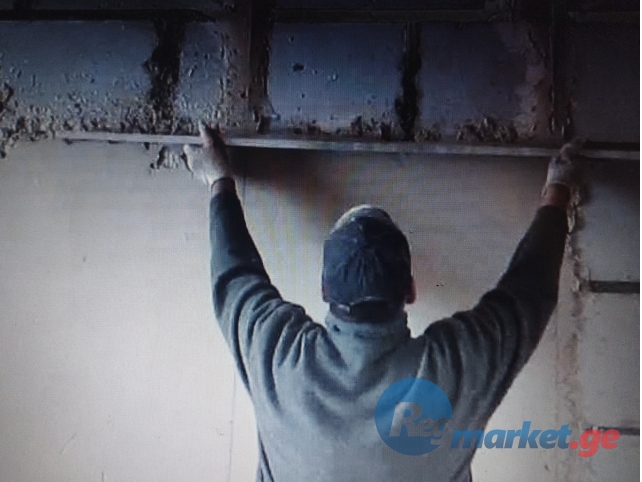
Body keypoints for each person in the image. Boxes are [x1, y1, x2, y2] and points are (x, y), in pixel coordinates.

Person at [183, 125, 579, 482]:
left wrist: (219, 180)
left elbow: (235, 276)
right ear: (411, 290)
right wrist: (558, 190)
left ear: (324, 290)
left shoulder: (280, 359)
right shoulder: (455, 369)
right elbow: (527, 294)